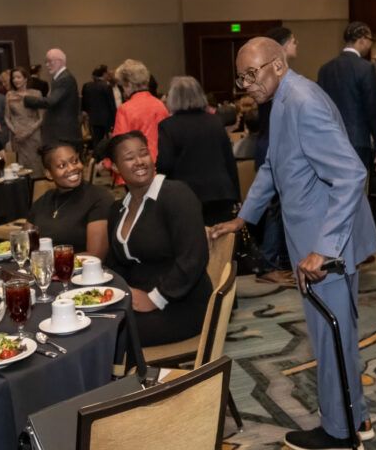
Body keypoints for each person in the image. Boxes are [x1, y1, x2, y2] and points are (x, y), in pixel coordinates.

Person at [211, 37, 376, 450]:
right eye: (241, 75)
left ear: (279, 65)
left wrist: (323, 249)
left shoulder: (301, 101)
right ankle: (355, 417)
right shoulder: (282, 99)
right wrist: (244, 217)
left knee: (330, 336)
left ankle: (340, 434)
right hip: (315, 240)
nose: (246, 83)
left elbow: (350, 174)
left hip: (326, 247)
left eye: (253, 73)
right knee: (337, 335)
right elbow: (273, 166)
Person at [105, 132, 212, 347]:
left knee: (109, 335)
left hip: (181, 302)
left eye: (143, 154)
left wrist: (156, 298)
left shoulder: (176, 194)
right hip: (137, 299)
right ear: (115, 167)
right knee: (92, 323)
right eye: (129, 158)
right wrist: (111, 292)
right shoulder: (118, 209)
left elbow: (193, 257)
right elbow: (116, 264)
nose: (139, 162)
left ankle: (136, 379)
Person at [156, 76, 240, 225]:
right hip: (220, 193)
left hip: (186, 196)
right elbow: (229, 161)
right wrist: (237, 196)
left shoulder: (167, 126)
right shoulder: (215, 121)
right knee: (221, 244)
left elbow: (165, 164)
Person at [252, 26, 298, 286]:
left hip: (271, 146)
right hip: (275, 149)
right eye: (293, 41)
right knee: (276, 209)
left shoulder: (274, 76)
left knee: (278, 208)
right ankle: (268, 263)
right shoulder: (274, 78)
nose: (296, 45)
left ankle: (275, 260)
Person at [317, 22, 376, 174]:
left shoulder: (325, 69)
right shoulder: (365, 68)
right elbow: (372, 109)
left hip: (330, 142)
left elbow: (320, 107)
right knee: (356, 193)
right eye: (370, 40)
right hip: (357, 142)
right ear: (362, 39)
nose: (370, 45)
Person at [26, 142, 111, 259]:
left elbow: (95, 256)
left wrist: (50, 262)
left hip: (82, 274)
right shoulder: (44, 200)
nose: (72, 168)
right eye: (62, 166)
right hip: (43, 271)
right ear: (49, 174)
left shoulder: (98, 198)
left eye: (75, 161)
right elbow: (25, 243)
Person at [112, 59, 170, 163]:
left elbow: (119, 143)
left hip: (139, 164)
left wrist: (107, 163)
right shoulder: (160, 105)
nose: (124, 91)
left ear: (128, 84)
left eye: (123, 86)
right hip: (162, 162)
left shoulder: (125, 109)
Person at [23, 48, 81, 144]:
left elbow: (51, 101)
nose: (47, 65)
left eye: (49, 61)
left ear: (59, 61)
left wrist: (26, 99)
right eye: (46, 62)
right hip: (60, 131)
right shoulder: (59, 77)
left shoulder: (65, 78)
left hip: (63, 133)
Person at [5, 66, 45, 176]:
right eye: (13, 78)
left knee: (35, 164)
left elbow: (41, 117)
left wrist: (29, 131)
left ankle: (38, 189)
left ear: (25, 78)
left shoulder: (36, 94)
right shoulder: (9, 95)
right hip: (17, 136)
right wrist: (15, 131)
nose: (15, 80)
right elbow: (6, 118)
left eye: (18, 77)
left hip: (33, 133)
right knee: (20, 166)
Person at [82, 64, 117, 151]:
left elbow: (84, 103)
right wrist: (115, 119)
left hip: (93, 119)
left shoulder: (87, 86)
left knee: (96, 142)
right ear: (104, 74)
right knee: (108, 143)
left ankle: (96, 159)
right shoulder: (106, 86)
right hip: (107, 120)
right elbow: (111, 104)